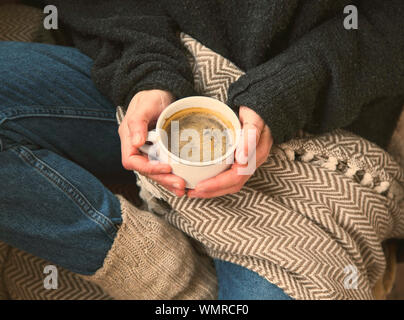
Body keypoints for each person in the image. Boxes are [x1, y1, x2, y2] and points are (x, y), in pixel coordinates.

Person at [1, 0, 403, 299]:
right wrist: (147, 73)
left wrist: (288, 92)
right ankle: (160, 272)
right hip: (149, 62)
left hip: (326, 115)